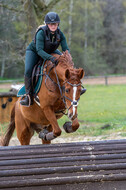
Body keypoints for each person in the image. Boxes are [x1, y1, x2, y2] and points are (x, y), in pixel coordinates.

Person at [20, 12, 86, 107]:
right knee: (28, 70)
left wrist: (68, 57)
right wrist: (51, 58)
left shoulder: (60, 34)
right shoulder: (41, 33)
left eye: (55, 24)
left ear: (58, 24)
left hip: (50, 50)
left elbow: (65, 48)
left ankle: (75, 85)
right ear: (47, 24)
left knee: (66, 63)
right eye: (51, 24)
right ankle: (28, 96)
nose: (53, 26)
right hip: (35, 51)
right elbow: (39, 50)